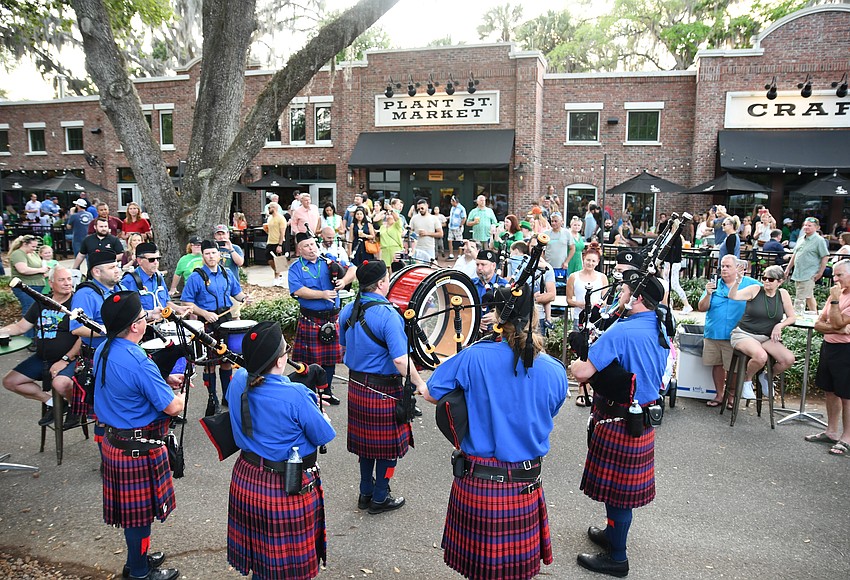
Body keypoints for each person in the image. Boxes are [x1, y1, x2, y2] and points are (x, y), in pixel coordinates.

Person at [425, 285, 568, 579]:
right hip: (525, 484)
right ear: (535, 316)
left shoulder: (474, 357)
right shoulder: (555, 370)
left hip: (478, 482)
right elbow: (548, 411)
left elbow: (431, 392)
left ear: (498, 318)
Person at [570, 271, 669, 578]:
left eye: (624, 290)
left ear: (638, 298)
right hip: (643, 414)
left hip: (619, 418)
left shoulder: (622, 332)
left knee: (617, 493)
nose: (620, 294)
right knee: (620, 491)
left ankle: (617, 557)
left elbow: (584, 372)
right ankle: (613, 534)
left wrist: (577, 360)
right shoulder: (660, 326)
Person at [225, 321, 336, 580]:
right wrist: (316, 407)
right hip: (285, 485)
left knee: (262, 560)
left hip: (247, 477)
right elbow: (323, 435)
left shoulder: (238, 379)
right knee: (287, 568)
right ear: (278, 361)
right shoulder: (297, 395)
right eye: (286, 350)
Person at [94, 291, 183, 580]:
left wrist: (162, 380)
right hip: (137, 447)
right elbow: (170, 406)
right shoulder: (137, 360)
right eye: (144, 316)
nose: (147, 319)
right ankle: (140, 571)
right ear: (135, 326)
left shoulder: (103, 348)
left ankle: (137, 558)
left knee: (136, 515)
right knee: (140, 517)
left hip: (116, 441)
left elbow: (130, 385)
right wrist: (178, 394)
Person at [338, 260, 429, 514]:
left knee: (366, 447)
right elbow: (400, 359)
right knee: (388, 449)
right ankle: (380, 497)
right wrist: (420, 384)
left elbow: (343, 346)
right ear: (380, 283)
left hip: (357, 385)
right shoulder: (388, 314)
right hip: (384, 390)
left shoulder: (348, 309)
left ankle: (365, 491)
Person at [1, 267, 80, 426]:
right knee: (10, 381)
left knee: (62, 383)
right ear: (51, 283)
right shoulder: (41, 302)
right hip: (42, 358)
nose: (67, 283)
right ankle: (53, 403)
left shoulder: (77, 303)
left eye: (69, 279)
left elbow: (82, 337)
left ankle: (75, 408)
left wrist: (66, 359)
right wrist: (2, 331)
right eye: (62, 280)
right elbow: (22, 327)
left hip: (71, 358)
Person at [181, 240, 249, 414]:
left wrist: (244, 298)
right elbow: (187, 302)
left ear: (219, 255)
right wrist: (204, 313)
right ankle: (213, 398)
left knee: (226, 360)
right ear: (203, 256)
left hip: (225, 320)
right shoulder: (196, 277)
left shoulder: (227, 273)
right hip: (208, 321)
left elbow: (237, 292)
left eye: (213, 253)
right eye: (207, 254)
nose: (211, 257)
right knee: (210, 363)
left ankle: (227, 395)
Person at [289, 232, 357, 405]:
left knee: (329, 359)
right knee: (311, 360)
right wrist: (322, 294)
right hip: (311, 319)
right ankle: (311, 394)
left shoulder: (329, 261)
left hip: (332, 317)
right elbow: (298, 290)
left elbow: (353, 269)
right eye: (307, 246)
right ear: (300, 249)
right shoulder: (295, 268)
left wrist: (343, 281)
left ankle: (326, 391)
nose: (311, 248)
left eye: (313, 244)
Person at [725, 265, 796, 399]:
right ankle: (747, 380)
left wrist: (780, 325)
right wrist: (738, 281)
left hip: (766, 337)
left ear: (780, 282)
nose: (766, 281)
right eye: (764, 278)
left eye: (771, 279)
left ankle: (766, 377)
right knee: (760, 356)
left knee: (788, 359)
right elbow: (733, 296)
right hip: (744, 334)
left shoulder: (783, 294)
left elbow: (792, 317)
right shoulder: (756, 290)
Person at [698, 255, 759, 407]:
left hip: (736, 335)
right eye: (722, 266)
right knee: (717, 365)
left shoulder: (749, 284)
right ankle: (719, 395)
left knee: (735, 368)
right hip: (713, 333)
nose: (723, 269)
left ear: (738, 268)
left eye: (728, 266)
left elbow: (769, 290)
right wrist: (707, 294)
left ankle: (731, 396)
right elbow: (701, 307)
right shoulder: (714, 285)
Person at [808, 259, 850, 457]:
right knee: (830, 390)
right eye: (834, 274)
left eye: (839, 275)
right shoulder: (837, 293)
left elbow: (836, 319)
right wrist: (839, 329)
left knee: (847, 395)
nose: (835, 279)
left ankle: (847, 437)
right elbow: (819, 323)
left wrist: (834, 302)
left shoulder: (838, 296)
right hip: (830, 346)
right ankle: (831, 431)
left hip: (846, 350)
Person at [121, 243, 189, 326]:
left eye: (158, 259)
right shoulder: (129, 281)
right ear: (139, 261)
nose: (156, 262)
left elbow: (166, 302)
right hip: (143, 328)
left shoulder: (158, 277)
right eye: (151, 260)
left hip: (163, 324)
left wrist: (178, 308)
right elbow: (127, 312)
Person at [785, 216, 829, 312]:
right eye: (805, 225)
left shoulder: (819, 240)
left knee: (800, 297)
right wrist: (788, 268)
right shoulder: (801, 239)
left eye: (809, 226)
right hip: (798, 272)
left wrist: (820, 273)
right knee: (809, 296)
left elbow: (825, 256)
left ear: (817, 227)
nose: (806, 227)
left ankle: (796, 317)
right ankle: (815, 315)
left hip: (810, 273)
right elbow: (795, 254)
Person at [9, 235, 50, 335]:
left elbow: (37, 266)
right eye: (33, 246)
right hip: (25, 287)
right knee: (28, 310)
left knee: (36, 310)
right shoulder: (18, 254)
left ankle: (36, 336)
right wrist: (40, 270)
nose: (34, 249)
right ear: (25, 244)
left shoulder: (33, 254)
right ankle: (29, 337)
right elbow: (22, 269)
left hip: (38, 286)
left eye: (36, 247)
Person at [657, 214, 693, 313]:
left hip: (673, 263)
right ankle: (669, 304)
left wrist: (667, 265)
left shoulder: (676, 238)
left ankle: (686, 305)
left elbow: (673, 253)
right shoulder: (673, 237)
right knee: (667, 284)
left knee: (675, 285)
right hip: (670, 263)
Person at [565, 245, 608, 327]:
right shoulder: (573, 277)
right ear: (583, 258)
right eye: (588, 260)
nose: (590, 263)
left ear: (598, 262)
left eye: (593, 261)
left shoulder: (602, 277)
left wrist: (596, 305)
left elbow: (605, 300)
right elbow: (569, 299)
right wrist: (581, 304)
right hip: (579, 317)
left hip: (596, 318)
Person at [474, 249, 509, 333]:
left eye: (483, 264)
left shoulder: (504, 285)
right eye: (477, 264)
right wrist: (475, 321)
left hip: (497, 333)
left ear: (493, 265)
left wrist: (497, 316)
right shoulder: (471, 284)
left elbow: (511, 310)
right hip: (475, 332)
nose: (479, 268)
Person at [264, 202, 288, 285]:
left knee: (278, 261)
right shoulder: (269, 218)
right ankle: (279, 273)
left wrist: (280, 245)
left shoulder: (281, 218)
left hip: (278, 242)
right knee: (270, 260)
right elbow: (269, 230)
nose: (269, 210)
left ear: (274, 208)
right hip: (270, 241)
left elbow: (282, 233)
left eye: (269, 208)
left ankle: (276, 278)